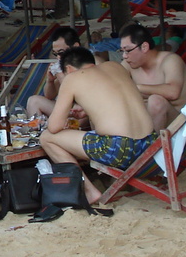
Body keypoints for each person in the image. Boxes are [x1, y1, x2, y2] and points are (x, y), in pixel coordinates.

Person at [38, 47, 158, 203]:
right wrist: (87, 111)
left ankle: (90, 191)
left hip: (119, 150)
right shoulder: (116, 66)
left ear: (68, 68)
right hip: (151, 147)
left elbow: (54, 127)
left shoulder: (72, 78)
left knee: (47, 137)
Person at [118, 22, 186, 132]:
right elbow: (112, 83)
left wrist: (137, 88)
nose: (124, 56)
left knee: (155, 101)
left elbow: (173, 92)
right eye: (122, 51)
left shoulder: (170, 60)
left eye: (128, 50)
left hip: (179, 122)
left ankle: (153, 146)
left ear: (144, 47)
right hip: (146, 120)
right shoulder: (129, 64)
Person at [26, 26, 84, 120]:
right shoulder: (64, 65)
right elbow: (49, 96)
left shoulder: (86, 64)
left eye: (61, 53)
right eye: (56, 54)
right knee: (33, 101)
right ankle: (37, 130)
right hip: (67, 110)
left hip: (83, 111)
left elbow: (78, 96)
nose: (58, 58)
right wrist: (50, 81)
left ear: (75, 47)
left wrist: (61, 76)